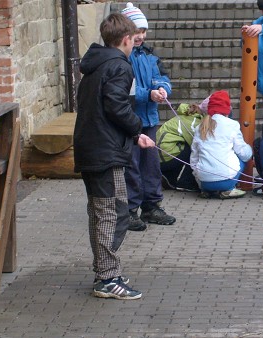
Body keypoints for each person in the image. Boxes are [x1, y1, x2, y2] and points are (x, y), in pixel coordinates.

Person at [74, 13, 151, 300]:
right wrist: (137, 127)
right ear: (126, 39)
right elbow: (116, 106)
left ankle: (106, 271)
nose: (135, 43)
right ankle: (106, 276)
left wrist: (133, 135)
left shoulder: (96, 64)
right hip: (105, 151)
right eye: (134, 39)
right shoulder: (119, 66)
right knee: (113, 212)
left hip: (91, 146)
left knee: (102, 211)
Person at [121, 3, 175, 231]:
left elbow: (162, 77)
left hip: (150, 120)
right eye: (136, 32)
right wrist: (148, 94)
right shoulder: (123, 58)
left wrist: (163, 89)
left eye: (143, 31)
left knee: (151, 165)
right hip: (131, 121)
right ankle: (131, 210)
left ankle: (151, 206)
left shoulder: (150, 56)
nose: (141, 36)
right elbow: (128, 91)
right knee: (132, 166)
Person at [190, 90, 253, 199]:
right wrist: (250, 150)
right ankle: (229, 189)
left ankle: (207, 191)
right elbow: (244, 154)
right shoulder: (232, 124)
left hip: (204, 182)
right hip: (226, 181)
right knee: (242, 156)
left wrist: (199, 177)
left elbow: (194, 158)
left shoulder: (199, 127)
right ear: (227, 109)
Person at [156, 101, 205, 192]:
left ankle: (169, 177)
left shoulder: (183, 116)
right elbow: (197, 147)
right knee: (194, 150)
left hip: (158, 157)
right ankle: (186, 183)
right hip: (166, 157)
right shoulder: (194, 123)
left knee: (182, 146)